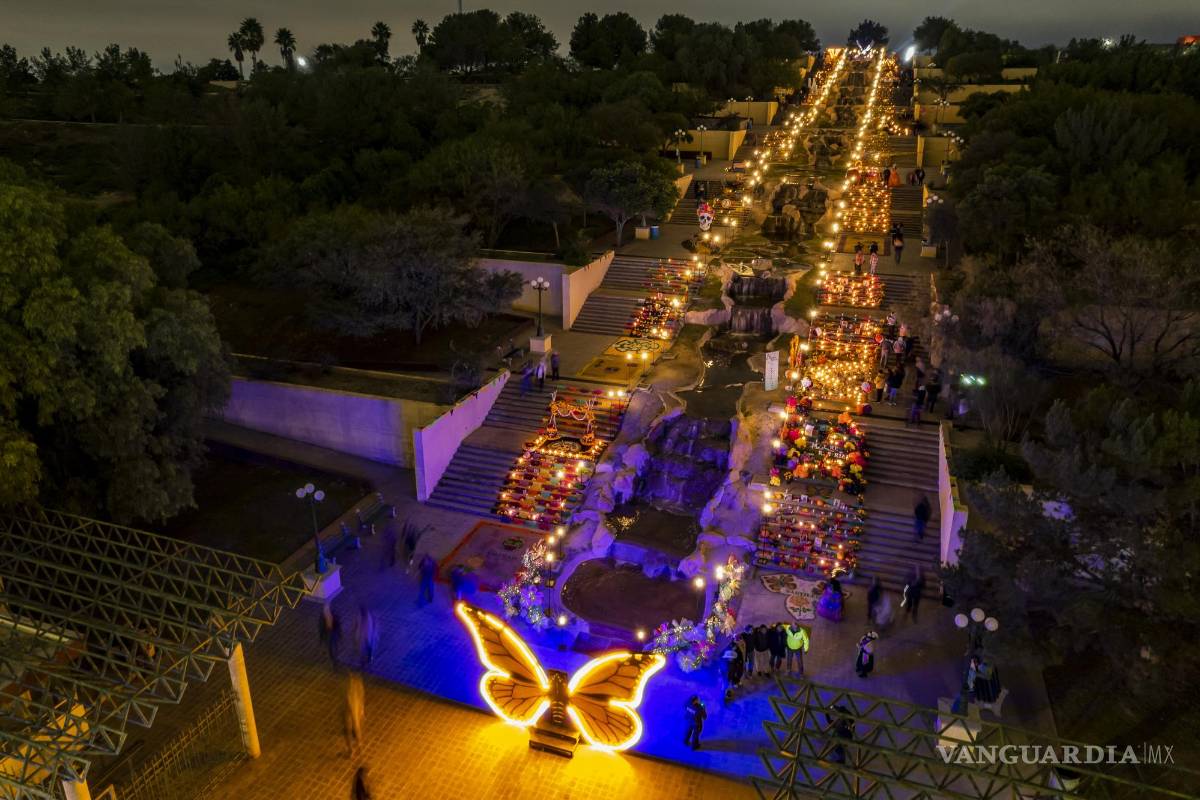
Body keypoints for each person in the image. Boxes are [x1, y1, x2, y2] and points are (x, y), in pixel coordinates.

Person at [344, 671, 365, 756]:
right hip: (356, 708)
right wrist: (362, 709)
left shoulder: (349, 683)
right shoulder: (358, 683)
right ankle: (359, 747)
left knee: (349, 729)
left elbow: (347, 697)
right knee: (355, 727)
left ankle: (351, 749)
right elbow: (361, 695)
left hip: (351, 708)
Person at [320, 601, 341, 667]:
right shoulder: (323, 617)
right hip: (328, 633)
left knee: (334, 646)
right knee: (330, 647)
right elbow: (321, 627)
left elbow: (338, 625)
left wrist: (339, 634)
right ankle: (333, 660)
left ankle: (334, 659)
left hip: (333, 632)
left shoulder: (334, 615)